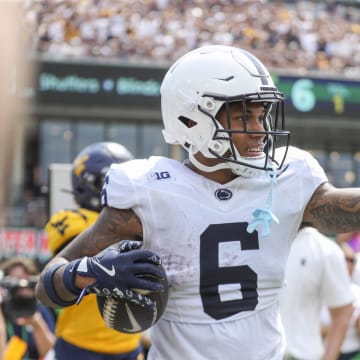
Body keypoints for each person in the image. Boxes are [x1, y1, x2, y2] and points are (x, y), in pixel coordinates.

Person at [35, 45, 360, 360]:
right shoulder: (148, 191)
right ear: (193, 118)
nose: (261, 131)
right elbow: (47, 285)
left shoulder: (288, 178)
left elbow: (339, 208)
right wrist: (90, 272)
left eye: (263, 116)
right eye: (245, 116)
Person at [45, 141, 148, 360]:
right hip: (79, 344)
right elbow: (79, 253)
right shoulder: (71, 220)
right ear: (88, 183)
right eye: (112, 180)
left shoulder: (140, 221)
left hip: (128, 342)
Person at [280, 227, 353, 360]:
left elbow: (343, 311)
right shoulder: (258, 239)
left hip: (302, 354)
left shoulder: (325, 249)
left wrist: (329, 356)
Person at [0, 257, 56, 360]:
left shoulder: (40, 309)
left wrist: (37, 325)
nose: (23, 286)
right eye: (17, 280)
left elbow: (50, 352)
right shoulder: (2, 310)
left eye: (27, 279)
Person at [322, 242, 360, 360]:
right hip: (323, 353)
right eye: (345, 259)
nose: (349, 264)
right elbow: (311, 331)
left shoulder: (358, 292)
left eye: (352, 260)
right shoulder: (320, 293)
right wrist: (342, 320)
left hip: (353, 353)